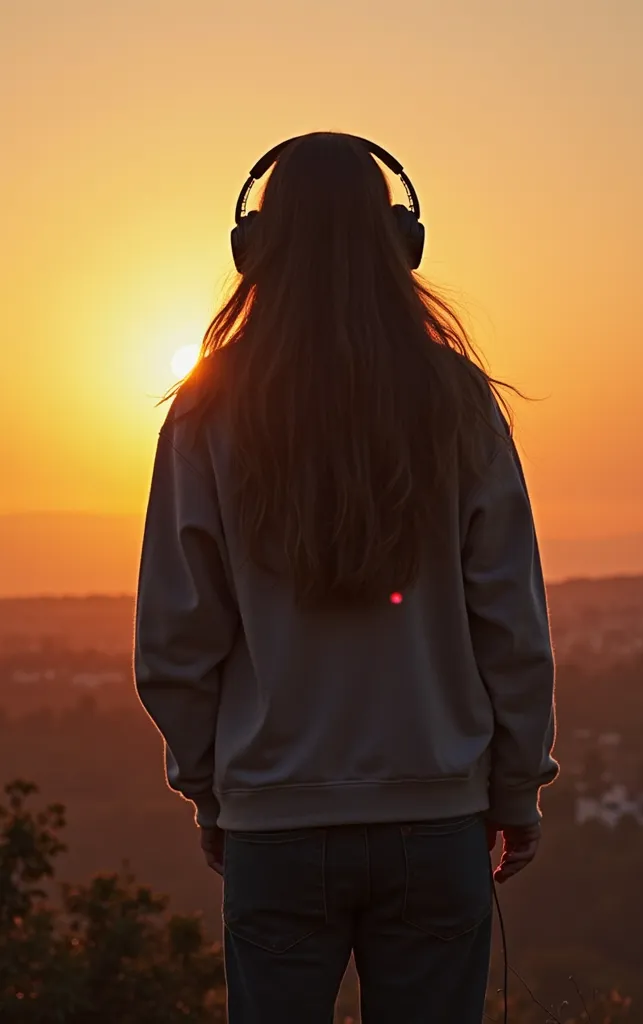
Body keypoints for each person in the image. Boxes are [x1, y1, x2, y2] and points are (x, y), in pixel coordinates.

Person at [134, 131, 558, 1024]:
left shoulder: (207, 408)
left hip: (274, 832)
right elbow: (510, 623)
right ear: (400, 243)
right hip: (439, 826)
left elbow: (176, 642)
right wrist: (513, 785)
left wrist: (213, 789)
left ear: (255, 249)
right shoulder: (458, 398)